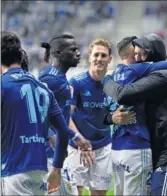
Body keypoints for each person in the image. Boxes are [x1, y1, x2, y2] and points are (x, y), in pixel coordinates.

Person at [102, 33, 167, 196]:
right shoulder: (142, 76)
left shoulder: (163, 75)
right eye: (136, 54)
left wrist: (106, 79)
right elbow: (106, 112)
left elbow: (122, 94)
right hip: (154, 151)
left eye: (142, 53)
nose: (139, 58)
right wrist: (112, 118)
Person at [1, 31, 86, 195]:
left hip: (13, 169)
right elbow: (62, 130)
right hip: (40, 172)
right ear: (20, 55)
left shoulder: (3, 85)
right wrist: (57, 168)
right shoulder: (43, 89)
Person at [39, 33, 92, 195]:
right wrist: (50, 136)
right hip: (47, 155)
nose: (78, 53)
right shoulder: (51, 80)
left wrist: (75, 136)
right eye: (73, 49)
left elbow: (59, 120)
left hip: (56, 155)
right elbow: (37, 115)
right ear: (58, 53)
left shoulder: (60, 79)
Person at [65, 38, 113, 196]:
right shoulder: (77, 82)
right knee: (74, 193)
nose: (99, 59)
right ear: (89, 57)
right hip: (77, 147)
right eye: (96, 55)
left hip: (103, 147)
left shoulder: (114, 85)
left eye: (103, 55)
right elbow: (66, 115)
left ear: (109, 59)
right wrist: (80, 140)